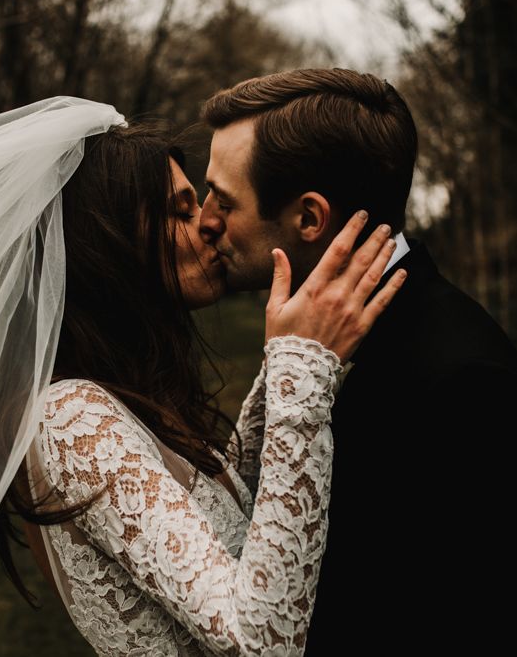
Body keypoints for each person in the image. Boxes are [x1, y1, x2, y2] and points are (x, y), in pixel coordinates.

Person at [0, 118, 406, 655]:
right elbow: (262, 641)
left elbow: (239, 519)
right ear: (109, 243)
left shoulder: (133, 396)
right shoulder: (69, 420)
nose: (208, 224)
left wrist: (295, 355)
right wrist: (301, 368)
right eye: (180, 211)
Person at [198, 68, 517, 654]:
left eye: (224, 200)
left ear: (310, 219)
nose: (205, 221)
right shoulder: (306, 338)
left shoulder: (465, 379)